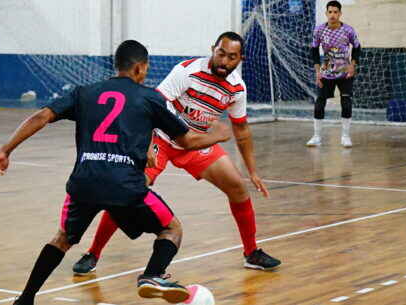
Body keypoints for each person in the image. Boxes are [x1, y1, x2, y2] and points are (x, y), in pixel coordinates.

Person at [0, 40, 231, 304]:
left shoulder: (84, 93)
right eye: (145, 69)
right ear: (140, 68)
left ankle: (25, 298)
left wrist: (5, 150)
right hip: (125, 186)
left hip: (85, 184)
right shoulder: (150, 98)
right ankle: (152, 274)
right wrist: (217, 135)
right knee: (172, 229)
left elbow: (41, 117)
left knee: (63, 238)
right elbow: (187, 141)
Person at [73, 31, 280, 276]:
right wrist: (147, 143)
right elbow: (151, 106)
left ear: (240, 59)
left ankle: (251, 252)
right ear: (212, 49)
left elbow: (241, 129)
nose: (224, 61)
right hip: (161, 137)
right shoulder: (187, 71)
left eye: (231, 57)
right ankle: (93, 252)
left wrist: (253, 171)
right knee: (128, 190)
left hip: (196, 143)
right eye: (221, 53)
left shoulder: (237, 88)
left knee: (238, 187)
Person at [306, 0, 361, 148]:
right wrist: (318, 71)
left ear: (340, 14)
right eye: (330, 12)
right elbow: (314, 50)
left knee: (346, 103)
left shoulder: (348, 30)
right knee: (319, 105)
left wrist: (352, 65)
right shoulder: (319, 30)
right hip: (326, 72)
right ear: (326, 13)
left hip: (345, 74)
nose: (332, 15)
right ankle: (317, 136)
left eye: (335, 12)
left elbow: (357, 48)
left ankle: (345, 136)